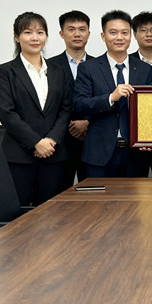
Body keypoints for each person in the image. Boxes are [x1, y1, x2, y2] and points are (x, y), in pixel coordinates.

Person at [0, 12, 71, 205]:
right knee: (18, 216)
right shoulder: (5, 71)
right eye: (28, 32)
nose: (35, 38)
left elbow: (65, 109)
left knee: (52, 213)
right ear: (16, 37)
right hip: (19, 156)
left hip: (54, 155)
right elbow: (7, 114)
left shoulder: (59, 71)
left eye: (40, 32)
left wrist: (51, 140)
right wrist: (36, 142)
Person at [74, 10, 152, 177]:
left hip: (136, 153)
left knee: (135, 195)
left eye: (124, 33)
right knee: (99, 195)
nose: (119, 37)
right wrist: (111, 98)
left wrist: (148, 138)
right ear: (103, 36)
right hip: (99, 153)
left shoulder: (144, 69)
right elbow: (79, 104)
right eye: (113, 33)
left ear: (131, 36)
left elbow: (151, 110)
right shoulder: (88, 68)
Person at [48, 10, 93, 190]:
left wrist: (87, 122)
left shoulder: (100, 65)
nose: (77, 34)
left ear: (88, 33)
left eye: (82, 29)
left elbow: (104, 101)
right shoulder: (48, 66)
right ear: (61, 33)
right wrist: (69, 125)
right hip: (60, 142)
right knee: (58, 195)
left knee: (92, 195)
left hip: (91, 139)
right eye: (71, 29)